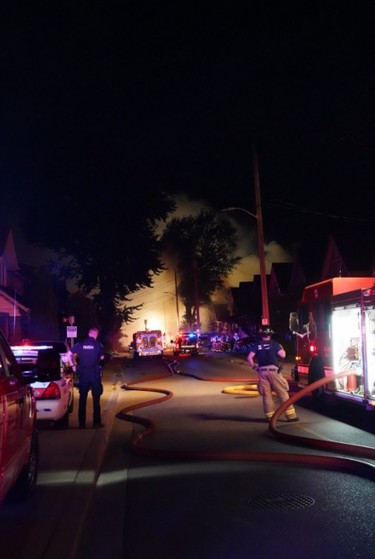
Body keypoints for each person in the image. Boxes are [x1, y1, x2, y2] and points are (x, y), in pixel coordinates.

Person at [247, 325, 299, 422]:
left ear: (261, 334)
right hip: (274, 371)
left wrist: (254, 367)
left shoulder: (257, 345)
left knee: (266, 395)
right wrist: (282, 348)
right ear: (271, 334)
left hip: (262, 372)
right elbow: (283, 355)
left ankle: (270, 417)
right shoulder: (275, 344)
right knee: (282, 392)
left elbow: (249, 358)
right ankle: (291, 415)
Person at [71, 327, 105, 429]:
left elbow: (69, 354)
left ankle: (81, 424)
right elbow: (102, 358)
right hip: (94, 374)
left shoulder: (80, 344)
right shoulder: (98, 344)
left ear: (89, 333)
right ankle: (96, 423)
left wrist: (74, 366)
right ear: (95, 334)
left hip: (83, 375)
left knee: (82, 399)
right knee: (96, 399)